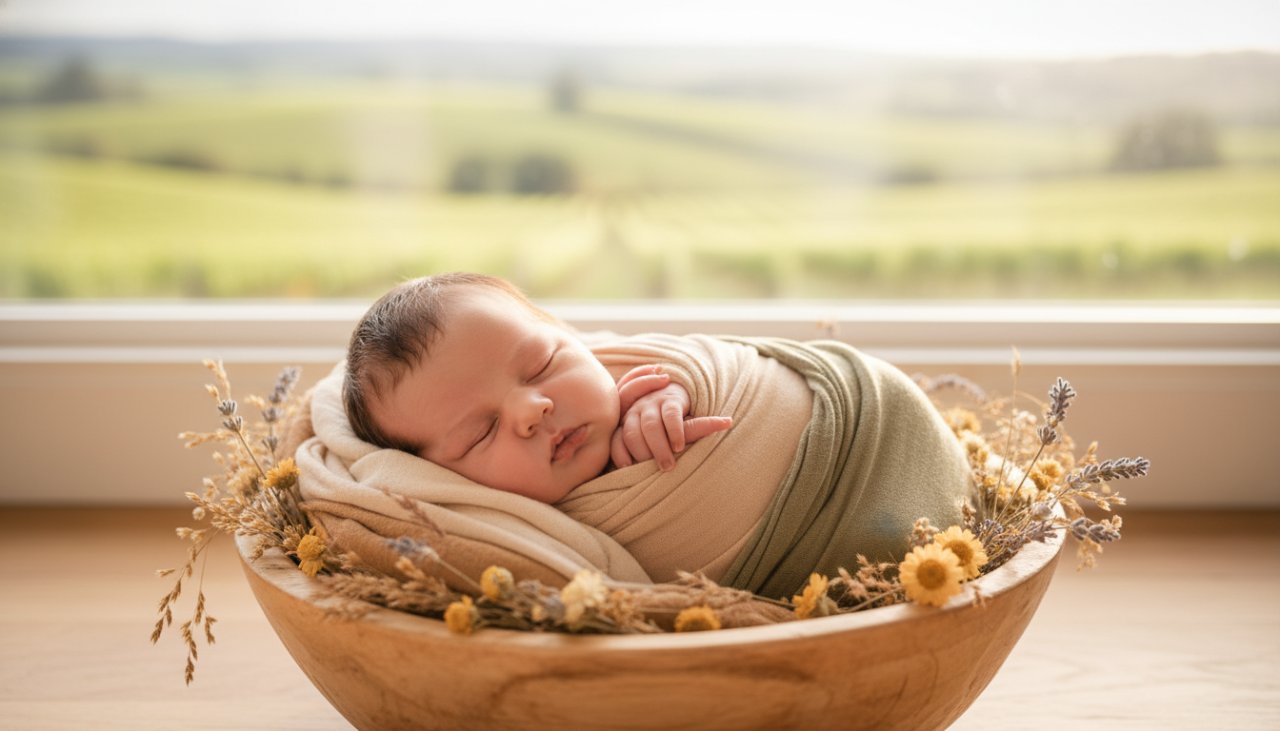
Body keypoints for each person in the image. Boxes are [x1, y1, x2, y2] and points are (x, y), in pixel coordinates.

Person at [343, 272, 733, 504]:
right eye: (483, 432)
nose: (533, 409)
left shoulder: (634, 381)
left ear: (570, 335)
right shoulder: (523, 535)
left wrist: (675, 393)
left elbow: (719, 366)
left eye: (540, 366)